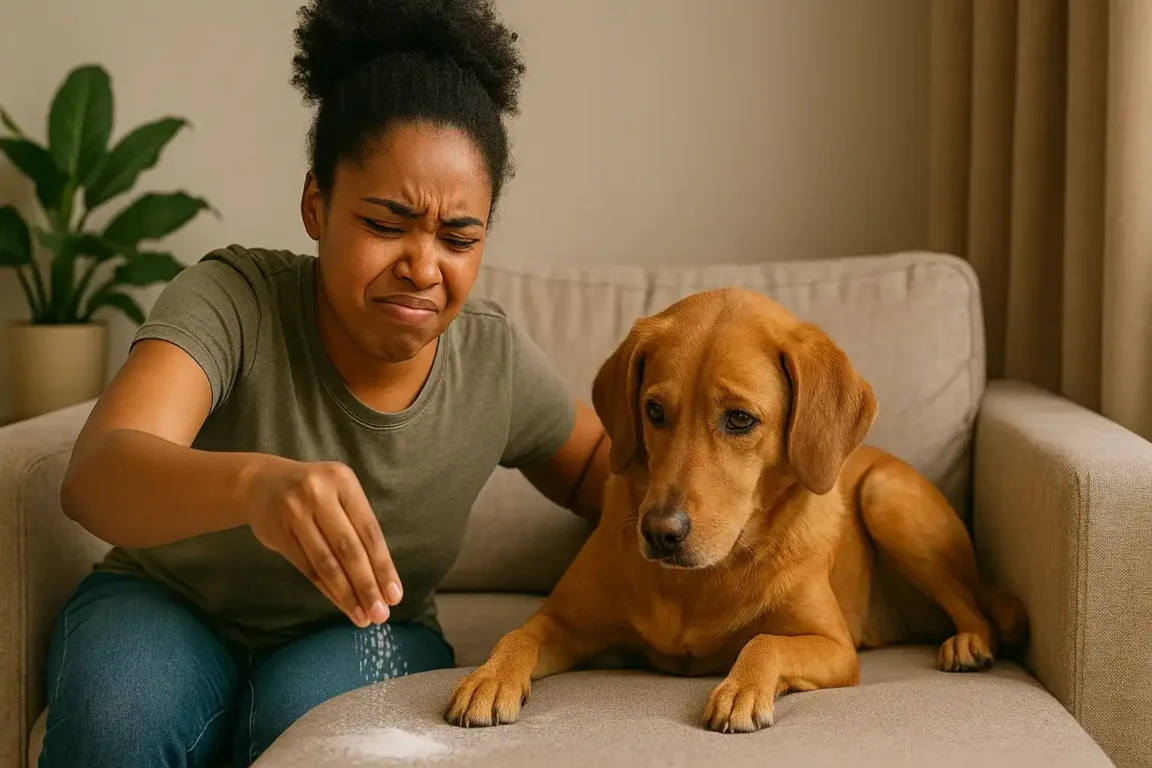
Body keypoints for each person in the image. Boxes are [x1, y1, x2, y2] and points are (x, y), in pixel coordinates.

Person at [38, 1, 610, 766]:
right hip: (165, 601)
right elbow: (98, 474)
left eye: (458, 236)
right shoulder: (233, 299)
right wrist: (254, 488)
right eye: (386, 223)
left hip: (368, 629)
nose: (424, 265)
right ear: (317, 205)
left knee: (316, 737)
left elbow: (602, 474)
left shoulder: (493, 360)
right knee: (120, 726)